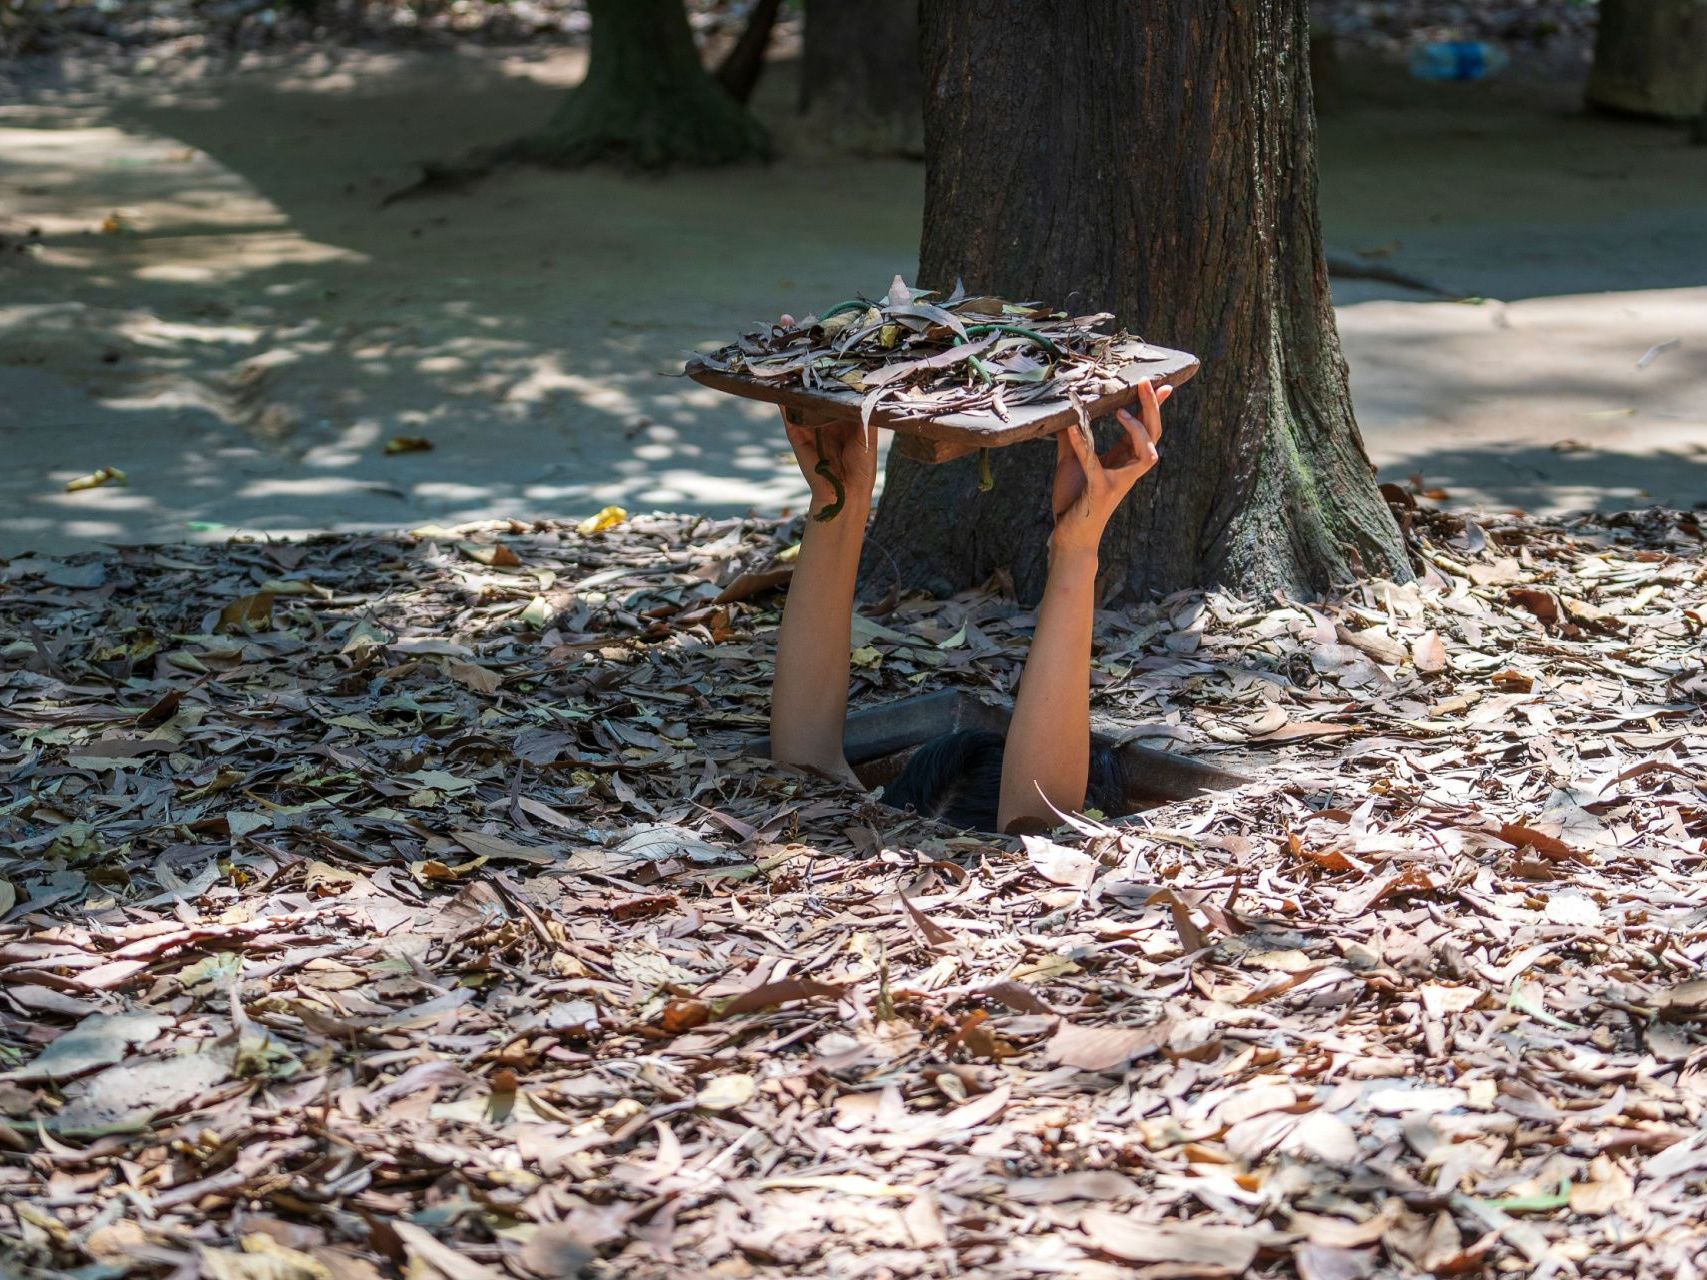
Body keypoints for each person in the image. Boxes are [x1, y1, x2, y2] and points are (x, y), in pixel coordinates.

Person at [768, 376, 1171, 834]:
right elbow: (1039, 823)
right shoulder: (1036, 855)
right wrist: (1075, 548)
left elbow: (806, 763)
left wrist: (838, 502)